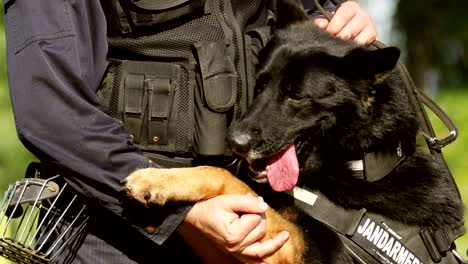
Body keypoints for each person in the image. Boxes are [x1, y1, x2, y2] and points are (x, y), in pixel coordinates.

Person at [2, 0, 378, 263]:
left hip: (253, 219)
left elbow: (310, 18)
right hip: (115, 232)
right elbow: (48, 108)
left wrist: (341, 24)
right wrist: (183, 211)